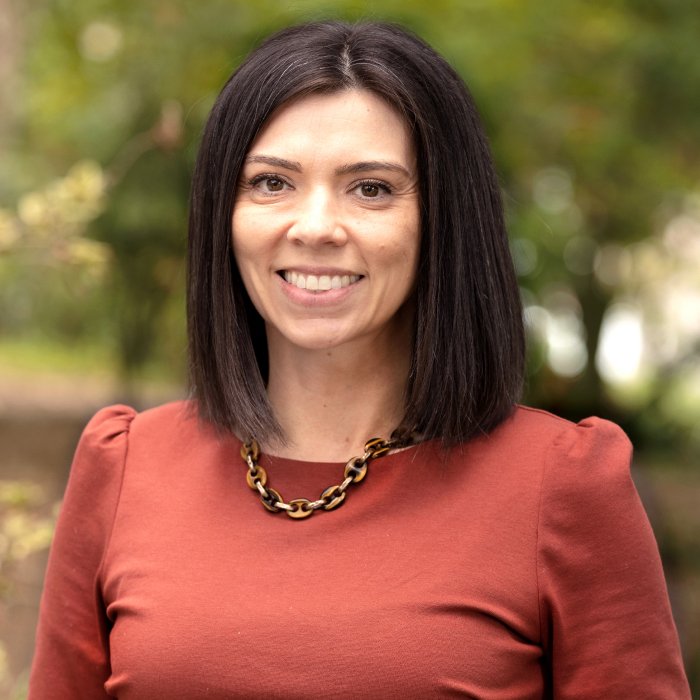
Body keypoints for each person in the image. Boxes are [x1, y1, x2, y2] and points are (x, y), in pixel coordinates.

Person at [28, 20, 690, 699]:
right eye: (271, 183)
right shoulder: (124, 466)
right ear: (223, 213)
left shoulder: (562, 487)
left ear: (443, 219)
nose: (315, 226)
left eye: (370, 188)